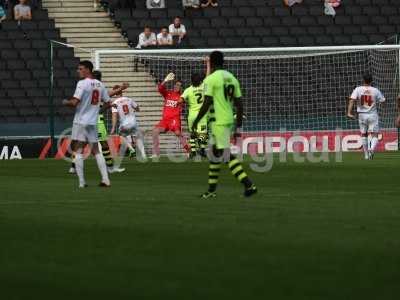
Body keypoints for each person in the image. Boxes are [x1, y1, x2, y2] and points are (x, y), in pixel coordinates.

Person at [192, 51, 257, 198]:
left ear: (212, 63)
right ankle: (211, 191)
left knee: (225, 155)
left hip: (218, 121)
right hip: (227, 119)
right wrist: (238, 126)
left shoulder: (211, 79)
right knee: (215, 155)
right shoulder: (232, 78)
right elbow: (239, 104)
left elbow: (207, 102)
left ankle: (249, 185)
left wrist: (196, 121)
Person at [62, 61, 112, 188]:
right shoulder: (100, 84)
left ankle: (82, 182)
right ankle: (105, 179)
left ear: (88, 70)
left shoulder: (82, 83)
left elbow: (74, 103)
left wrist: (65, 102)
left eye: (81, 69)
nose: (78, 71)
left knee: (78, 150)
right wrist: (97, 112)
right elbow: (108, 102)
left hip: (81, 121)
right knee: (96, 150)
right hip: (92, 121)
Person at [69, 71, 128, 174]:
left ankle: (73, 167)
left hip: (84, 119)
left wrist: (108, 104)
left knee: (81, 144)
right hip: (95, 119)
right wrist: (121, 88)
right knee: (103, 144)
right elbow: (106, 95)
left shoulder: (85, 86)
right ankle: (110, 168)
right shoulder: (97, 87)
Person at [347, 73, 385, 160]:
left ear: (363, 80)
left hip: (362, 115)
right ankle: (371, 149)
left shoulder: (358, 89)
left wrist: (349, 112)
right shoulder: (375, 90)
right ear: (371, 81)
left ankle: (366, 155)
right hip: (372, 115)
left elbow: (352, 100)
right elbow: (383, 101)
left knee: (364, 134)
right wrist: (382, 108)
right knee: (375, 135)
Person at [152, 72, 189, 158]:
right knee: (155, 131)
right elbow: (160, 89)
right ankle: (156, 153)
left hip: (174, 119)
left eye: (179, 85)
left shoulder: (181, 97)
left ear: (181, 88)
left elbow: (183, 101)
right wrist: (165, 80)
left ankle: (188, 149)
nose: (176, 86)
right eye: (176, 85)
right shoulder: (168, 94)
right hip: (165, 120)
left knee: (177, 133)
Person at [110, 89, 147, 163]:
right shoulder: (129, 99)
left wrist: (113, 127)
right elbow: (137, 108)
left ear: (115, 93)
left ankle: (131, 149)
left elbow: (114, 115)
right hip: (133, 123)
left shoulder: (115, 103)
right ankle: (144, 155)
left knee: (121, 135)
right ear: (121, 92)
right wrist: (134, 110)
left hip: (124, 125)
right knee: (138, 138)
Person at [181, 72, 208, 158]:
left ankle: (193, 151)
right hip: (202, 115)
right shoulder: (203, 87)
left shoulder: (188, 90)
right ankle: (201, 148)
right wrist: (208, 63)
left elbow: (180, 100)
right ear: (199, 80)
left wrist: (183, 102)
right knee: (203, 134)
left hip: (192, 115)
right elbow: (207, 76)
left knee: (192, 134)